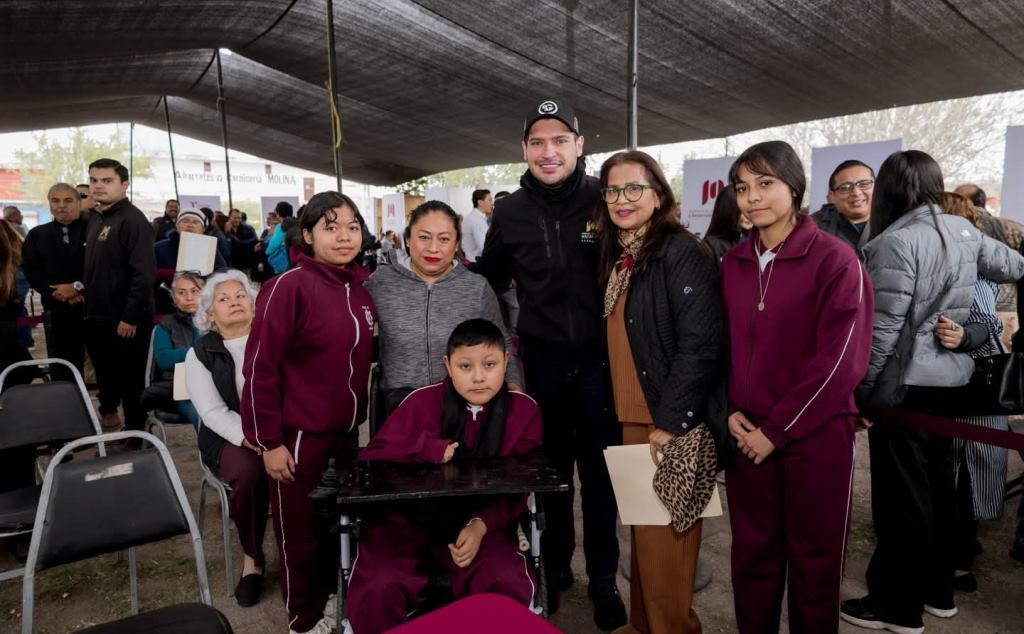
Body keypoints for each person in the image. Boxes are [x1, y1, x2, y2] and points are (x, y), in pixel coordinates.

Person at [844, 150, 1024, 634]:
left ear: (888, 189)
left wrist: (859, 395)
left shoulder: (893, 242)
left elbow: (881, 333)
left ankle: (897, 609)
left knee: (901, 502)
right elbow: (1015, 264)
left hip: (905, 388)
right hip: (951, 382)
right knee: (939, 491)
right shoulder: (964, 230)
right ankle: (937, 594)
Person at [478, 98, 625, 628]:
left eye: (560, 140)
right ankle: (556, 568)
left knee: (603, 481)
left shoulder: (606, 199)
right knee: (552, 477)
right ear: (524, 149)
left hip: (603, 369)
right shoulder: (510, 211)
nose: (549, 151)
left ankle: (604, 579)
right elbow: (488, 279)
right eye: (538, 141)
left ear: (579, 146)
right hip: (541, 369)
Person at [722, 140, 874, 634]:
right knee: (752, 560)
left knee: (814, 567)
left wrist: (778, 430)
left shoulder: (836, 259)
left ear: (794, 187)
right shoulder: (734, 262)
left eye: (765, 183)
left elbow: (841, 361)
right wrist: (729, 408)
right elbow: (722, 346)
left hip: (815, 437)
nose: (752, 197)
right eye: (742, 187)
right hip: (748, 434)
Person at [596, 150, 724, 634]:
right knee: (645, 544)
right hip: (634, 415)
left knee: (668, 550)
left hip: (666, 420)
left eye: (634, 188)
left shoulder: (680, 250)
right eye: (613, 190)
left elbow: (700, 343)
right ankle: (642, 627)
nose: (622, 198)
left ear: (658, 194)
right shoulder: (626, 252)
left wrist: (671, 422)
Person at [348, 319, 542, 632]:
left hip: (480, 522)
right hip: (407, 521)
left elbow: (520, 486)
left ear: (506, 361)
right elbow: (372, 458)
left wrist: (481, 525)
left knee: (504, 579)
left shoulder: (523, 412)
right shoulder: (420, 402)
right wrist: (425, 448)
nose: (478, 377)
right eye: (465, 366)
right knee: (379, 586)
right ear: (448, 365)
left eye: (490, 364)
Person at [241, 191, 376, 634]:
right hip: (297, 437)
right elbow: (260, 368)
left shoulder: (359, 290)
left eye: (352, 227)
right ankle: (303, 619)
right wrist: (269, 442)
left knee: (340, 527)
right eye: (330, 227)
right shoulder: (289, 287)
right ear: (308, 234)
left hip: (345, 435)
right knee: (298, 535)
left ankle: (335, 602)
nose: (344, 236)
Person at [367, 200, 521, 421]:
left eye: (444, 239)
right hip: (398, 406)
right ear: (408, 239)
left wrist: (514, 386)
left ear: (457, 243)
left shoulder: (476, 287)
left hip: (460, 407)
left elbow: (501, 341)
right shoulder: (381, 282)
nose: (433, 248)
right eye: (424, 237)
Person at [934, 192, 1008, 594]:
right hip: (969, 375)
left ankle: (959, 561)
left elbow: (983, 319)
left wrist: (959, 333)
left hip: (972, 377)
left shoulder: (970, 266)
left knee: (965, 467)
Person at [185, 270, 268, 607]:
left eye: (240, 296)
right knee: (249, 472)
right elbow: (212, 411)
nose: (235, 302)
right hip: (229, 436)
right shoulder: (200, 354)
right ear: (209, 315)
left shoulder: (272, 338)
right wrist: (252, 439)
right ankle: (253, 559)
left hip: (277, 428)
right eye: (224, 299)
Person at [82, 158, 156, 434]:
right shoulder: (97, 218)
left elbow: (143, 274)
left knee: (132, 381)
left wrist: (130, 316)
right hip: (98, 316)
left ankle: (137, 435)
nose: (98, 186)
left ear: (124, 184)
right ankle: (117, 424)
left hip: (126, 320)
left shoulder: (133, 220)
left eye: (107, 180)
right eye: (94, 180)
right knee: (107, 375)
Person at [22, 183, 87, 371]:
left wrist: (79, 289)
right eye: (55, 201)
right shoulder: (37, 234)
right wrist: (58, 293)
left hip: (93, 308)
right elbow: (31, 269)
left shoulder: (94, 230)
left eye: (68, 200)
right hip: (56, 309)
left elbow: (104, 267)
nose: (61, 206)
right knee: (63, 365)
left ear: (79, 203)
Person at [140, 272, 203, 427]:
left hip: (214, 387)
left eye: (195, 291)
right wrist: (197, 352)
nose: (189, 297)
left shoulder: (215, 322)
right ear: (174, 299)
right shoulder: (166, 325)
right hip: (178, 390)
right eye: (182, 293)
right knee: (202, 414)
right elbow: (164, 359)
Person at [813, 159, 875, 259]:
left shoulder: (894, 224)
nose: (856, 193)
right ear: (832, 195)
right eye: (845, 187)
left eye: (864, 184)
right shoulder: (814, 229)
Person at [154, 209, 228, 276]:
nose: (190, 225)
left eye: (195, 222)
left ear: (203, 229)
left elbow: (222, 271)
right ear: (177, 227)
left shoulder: (209, 248)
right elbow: (150, 272)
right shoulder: (159, 247)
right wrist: (175, 274)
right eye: (185, 221)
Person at [702, 183, 750, 262]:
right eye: (742, 210)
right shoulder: (711, 246)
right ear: (729, 211)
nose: (749, 215)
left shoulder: (757, 242)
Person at [265, 201, 297, 274]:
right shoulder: (296, 223)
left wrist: (267, 251)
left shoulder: (281, 227)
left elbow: (274, 244)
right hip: (294, 262)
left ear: (278, 213)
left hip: (283, 265)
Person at [461, 189, 492, 262]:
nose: (492, 203)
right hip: (476, 262)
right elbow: (484, 246)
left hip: (473, 260)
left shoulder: (475, 217)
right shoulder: (476, 220)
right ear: (480, 202)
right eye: (490, 200)